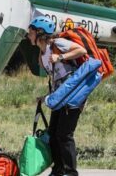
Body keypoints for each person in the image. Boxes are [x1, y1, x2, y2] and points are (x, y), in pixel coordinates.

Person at [27, 16, 87, 176]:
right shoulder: (42, 54)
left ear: (39, 32)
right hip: (60, 96)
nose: (28, 35)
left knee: (64, 135)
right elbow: (57, 79)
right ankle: (59, 170)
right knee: (53, 134)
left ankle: (70, 172)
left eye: (30, 32)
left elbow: (81, 50)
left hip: (73, 96)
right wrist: (46, 96)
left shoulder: (56, 44)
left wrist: (60, 57)